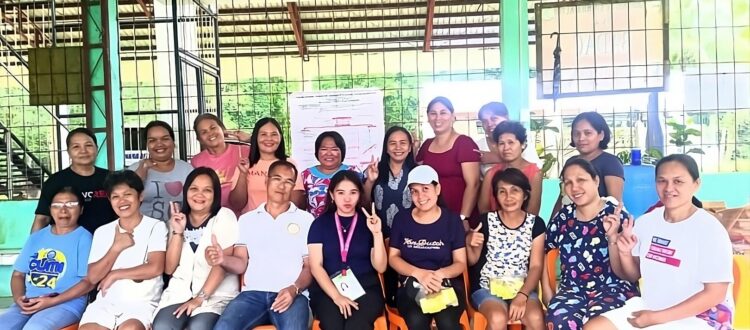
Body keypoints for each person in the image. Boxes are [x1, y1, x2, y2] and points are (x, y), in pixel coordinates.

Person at [587, 154, 734, 330]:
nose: (668, 188)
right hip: (652, 307)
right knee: (595, 327)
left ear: (696, 184)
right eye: (662, 181)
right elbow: (632, 275)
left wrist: (656, 318)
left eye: (678, 181)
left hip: (701, 316)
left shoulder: (710, 229)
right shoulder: (646, 222)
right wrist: (625, 253)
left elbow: (715, 294)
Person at [212, 160, 314, 330]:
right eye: (277, 179)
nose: (282, 186)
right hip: (252, 295)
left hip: (291, 294)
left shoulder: (306, 220)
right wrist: (223, 259)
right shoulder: (247, 220)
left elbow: (309, 267)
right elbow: (240, 262)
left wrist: (294, 289)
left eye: (288, 181)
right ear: (266, 181)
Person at [542, 159, 639, 329]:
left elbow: (630, 270)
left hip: (614, 288)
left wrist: (612, 237)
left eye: (581, 180)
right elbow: (544, 251)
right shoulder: (563, 217)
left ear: (596, 180)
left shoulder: (615, 215)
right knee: (558, 320)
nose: (574, 187)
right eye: (568, 182)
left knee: (597, 322)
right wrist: (547, 292)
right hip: (572, 290)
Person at [78, 170, 168, 330]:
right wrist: (116, 248)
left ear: (140, 196)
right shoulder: (103, 231)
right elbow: (93, 277)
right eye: (116, 196)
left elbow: (155, 267)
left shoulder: (156, 226)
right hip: (106, 302)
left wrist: (115, 274)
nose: (122, 201)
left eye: (127, 194)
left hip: (141, 302)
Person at [152, 167, 239, 330]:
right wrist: (177, 232)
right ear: (186, 192)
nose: (199, 195)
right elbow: (169, 268)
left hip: (215, 296)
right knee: (162, 326)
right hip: (179, 294)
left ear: (215, 195)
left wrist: (199, 299)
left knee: (198, 327)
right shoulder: (178, 219)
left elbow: (221, 265)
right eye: (194, 189)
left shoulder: (224, 216)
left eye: (207, 190)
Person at [0, 186, 93, 329]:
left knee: (35, 327)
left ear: (81, 210)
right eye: (57, 205)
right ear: (50, 210)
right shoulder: (37, 237)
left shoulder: (84, 238)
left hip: (66, 303)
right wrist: (19, 298)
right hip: (30, 302)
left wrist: (51, 302)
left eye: (71, 205)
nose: (63, 210)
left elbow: (87, 282)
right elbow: (18, 274)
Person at [388, 165, 468, 329]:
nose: (420, 196)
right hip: (411, 285)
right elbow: (393, 258)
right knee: (416, 321)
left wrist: (439, 275)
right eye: (414, 191)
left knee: (447, 323)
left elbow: (460, 262)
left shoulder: (452, 221)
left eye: (425, 189)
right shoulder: (401, 219)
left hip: (446, 284)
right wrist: (419, 274)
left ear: (437, 188)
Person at [467, 168, 546, 330]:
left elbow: (536, 266)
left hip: (522, 287)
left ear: (525, 195)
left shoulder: (535, 224)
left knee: (536, 317)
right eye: (502, 192)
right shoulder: (486, 221)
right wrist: (469, 242)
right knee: (497, 318)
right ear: (496, 196)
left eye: (514, 190)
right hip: (486, 287)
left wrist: (522, 295)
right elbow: (472, 260)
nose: (508, 197)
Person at [308, 170, 387, 330]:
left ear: (360, 195)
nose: (347, 198)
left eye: (353, 192)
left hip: (366, 289)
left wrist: (377, 233)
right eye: (340, 192)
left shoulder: (369, 222)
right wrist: (337, 296)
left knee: (356, 325)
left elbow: (381, 267)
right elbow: (316, 266)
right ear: (332, 194)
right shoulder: (319, 224)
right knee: (332, 324)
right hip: (328, 289)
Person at [362, 126, 417, 306]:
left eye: (403, 143)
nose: (398, 147)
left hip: (410, 238)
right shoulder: (375, 171)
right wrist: (370, 181)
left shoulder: (418, 172)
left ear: (410, 147)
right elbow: (363, 204)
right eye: (392, 143)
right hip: (379, 236)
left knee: (406, 292)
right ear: (386, 148)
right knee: (383, 288)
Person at [31, 127, 116, 234]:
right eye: (76, 146)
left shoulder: (112, 178)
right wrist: (31, 247)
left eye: (88, 145)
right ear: (69, 152)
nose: (83, 151)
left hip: (107, 241)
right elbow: (42, 219)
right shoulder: (55, 181)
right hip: (67, 243)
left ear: (96, 148)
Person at [416, 96, 480, 227]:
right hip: (432, 217)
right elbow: (418, 178)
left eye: (443, 113)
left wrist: (463, 217)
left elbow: (473, 184)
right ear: (428, 117)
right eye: (433, 113)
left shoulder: (464, 143)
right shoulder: (426, 145)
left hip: (459, 217)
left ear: (452, 116)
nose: (438, 118)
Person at [552, 112, 623, 217]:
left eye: (588, 133)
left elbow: (614, 203)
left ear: (601, 135)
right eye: (576, 134)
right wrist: (550, 225)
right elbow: (562, 199)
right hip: (568, 223)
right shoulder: (571, 162)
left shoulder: (611, 162)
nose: (581, 138)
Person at [230, 117, 305, 213]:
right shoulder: (245, 164)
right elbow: (236, 204)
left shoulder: (289, 164)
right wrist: (243, 174)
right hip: (252, 223)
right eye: (263, 134)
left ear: (280, 138)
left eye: (274, 134)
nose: (269, 138)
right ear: (255, 138)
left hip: (282, 223)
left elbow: (297, 201)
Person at [129, 120, 194, 222]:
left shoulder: (187, 169)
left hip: (179, 230)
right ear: (147, 144)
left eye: (165, 139)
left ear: (173, 142)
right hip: (145, 233)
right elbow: (126, 196)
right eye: (152, 140)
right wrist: (142, 171)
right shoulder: (134, 169)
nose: (159, 144)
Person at [478, 121, 543, 215]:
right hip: (493, 226)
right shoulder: (491, 174)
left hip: (525, 227)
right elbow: (483, 209)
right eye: (501, 143)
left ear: (523, 144)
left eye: (511, 142)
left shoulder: (535, 173)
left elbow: (532, 212)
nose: (506, 148)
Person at [190, 113, 251, 213]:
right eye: (204, 132)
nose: (210, 133)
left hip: (243, 216)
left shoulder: (244, 151)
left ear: (222, 129)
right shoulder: (196, 161)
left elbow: (273, 153)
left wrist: (250, 138)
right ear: (199, 139)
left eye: (213, 128)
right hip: (213, 218)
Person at [474, 102, 542, 177]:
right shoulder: (477, 146)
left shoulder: (520, 140)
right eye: (484, 121)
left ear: (506, 118)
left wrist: (495, 157)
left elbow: (534, 168)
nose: (489, 124)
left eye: (494, 119)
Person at [302, 131, 360, 218]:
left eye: (334, 149)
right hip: (316, 227)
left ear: (342, 151)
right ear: (317, 152)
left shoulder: (353, 171)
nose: (329, 153)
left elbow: (364, 200)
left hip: (348, 226)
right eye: (324, 149)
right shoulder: (306, 175)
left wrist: (370, 180)